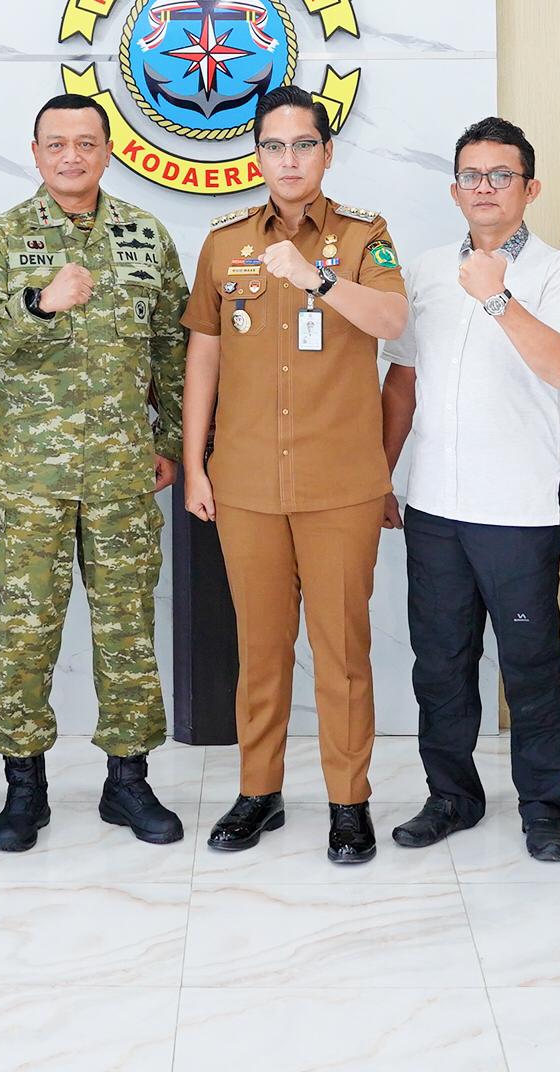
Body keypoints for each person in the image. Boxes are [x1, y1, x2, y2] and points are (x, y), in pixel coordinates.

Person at [181, 86, 410, 866]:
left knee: (342, 650)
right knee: (261, 646)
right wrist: (193, 464)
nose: (288, 160)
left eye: (302, 145)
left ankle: (350, 802)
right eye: (274, 146)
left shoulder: (363, 237)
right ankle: (259, 791)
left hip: (341, 481)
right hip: (243, 480)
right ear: (257, 154)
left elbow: (391, 323)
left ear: (326, 153)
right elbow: (203, 356)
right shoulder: (223, 243)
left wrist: (316, 278)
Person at [0, 93, 191, 852]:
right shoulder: (2, 238)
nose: (70, 156)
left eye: (85, 142)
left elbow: (173, 350)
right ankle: (25, 787)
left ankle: (129, 780)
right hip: (32, 477)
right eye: (55, 143)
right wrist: (39, 303)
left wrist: (178, 441)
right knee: (25, 633)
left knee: (127, 631)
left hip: (124, 472)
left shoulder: (145, 236)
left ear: (108, 150)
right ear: (35, 153)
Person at [378, 116, 560, 863]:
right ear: (455, 188)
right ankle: (451, 796)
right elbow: (401, 382)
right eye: (473, 175)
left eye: (502, 176)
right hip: (435, 504)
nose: (486, 188)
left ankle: (542, 804)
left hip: (520, 506)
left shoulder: (557, 273)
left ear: (530, 188)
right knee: (440, 659)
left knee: (531, 660)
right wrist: (383, 472)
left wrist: (500, 298)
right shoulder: (427, 270)